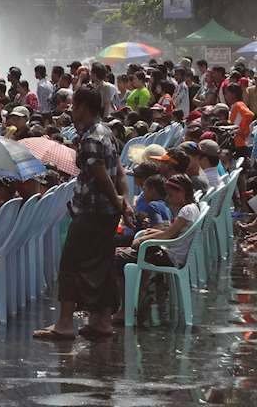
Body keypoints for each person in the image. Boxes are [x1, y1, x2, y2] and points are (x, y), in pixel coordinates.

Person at [34, 85, 131, 341]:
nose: (72, 110)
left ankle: (65, 323)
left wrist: (119, 201)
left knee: (71, 264)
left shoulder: (91, 138)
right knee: (102, 265)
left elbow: (101, 176)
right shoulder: (106, 132)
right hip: (107, 212)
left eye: (75, 105)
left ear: (84, 107)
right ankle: (101, 321)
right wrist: (125, 201)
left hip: (91, 211)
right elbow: (119, 170)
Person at [112, 174, 201, 323]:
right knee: (123, 254)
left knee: (117, 258)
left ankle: (125, 309)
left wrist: (142, 239)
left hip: (170, 256)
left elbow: (169, 235)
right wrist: (151, 232)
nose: (169, 199)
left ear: (181, 192)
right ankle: (137, 298)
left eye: (171, 195)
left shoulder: (186, 211)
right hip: (172, 252)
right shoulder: (192, 208)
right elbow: (173, 232)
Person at [224, 84, 254, 158]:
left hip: (241, 143)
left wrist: (241, 130)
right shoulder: (234, 106)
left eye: (227, 93)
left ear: (233, 94)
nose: (225, 96)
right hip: (236, 143)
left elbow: (249, 114)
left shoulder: (238, 104)